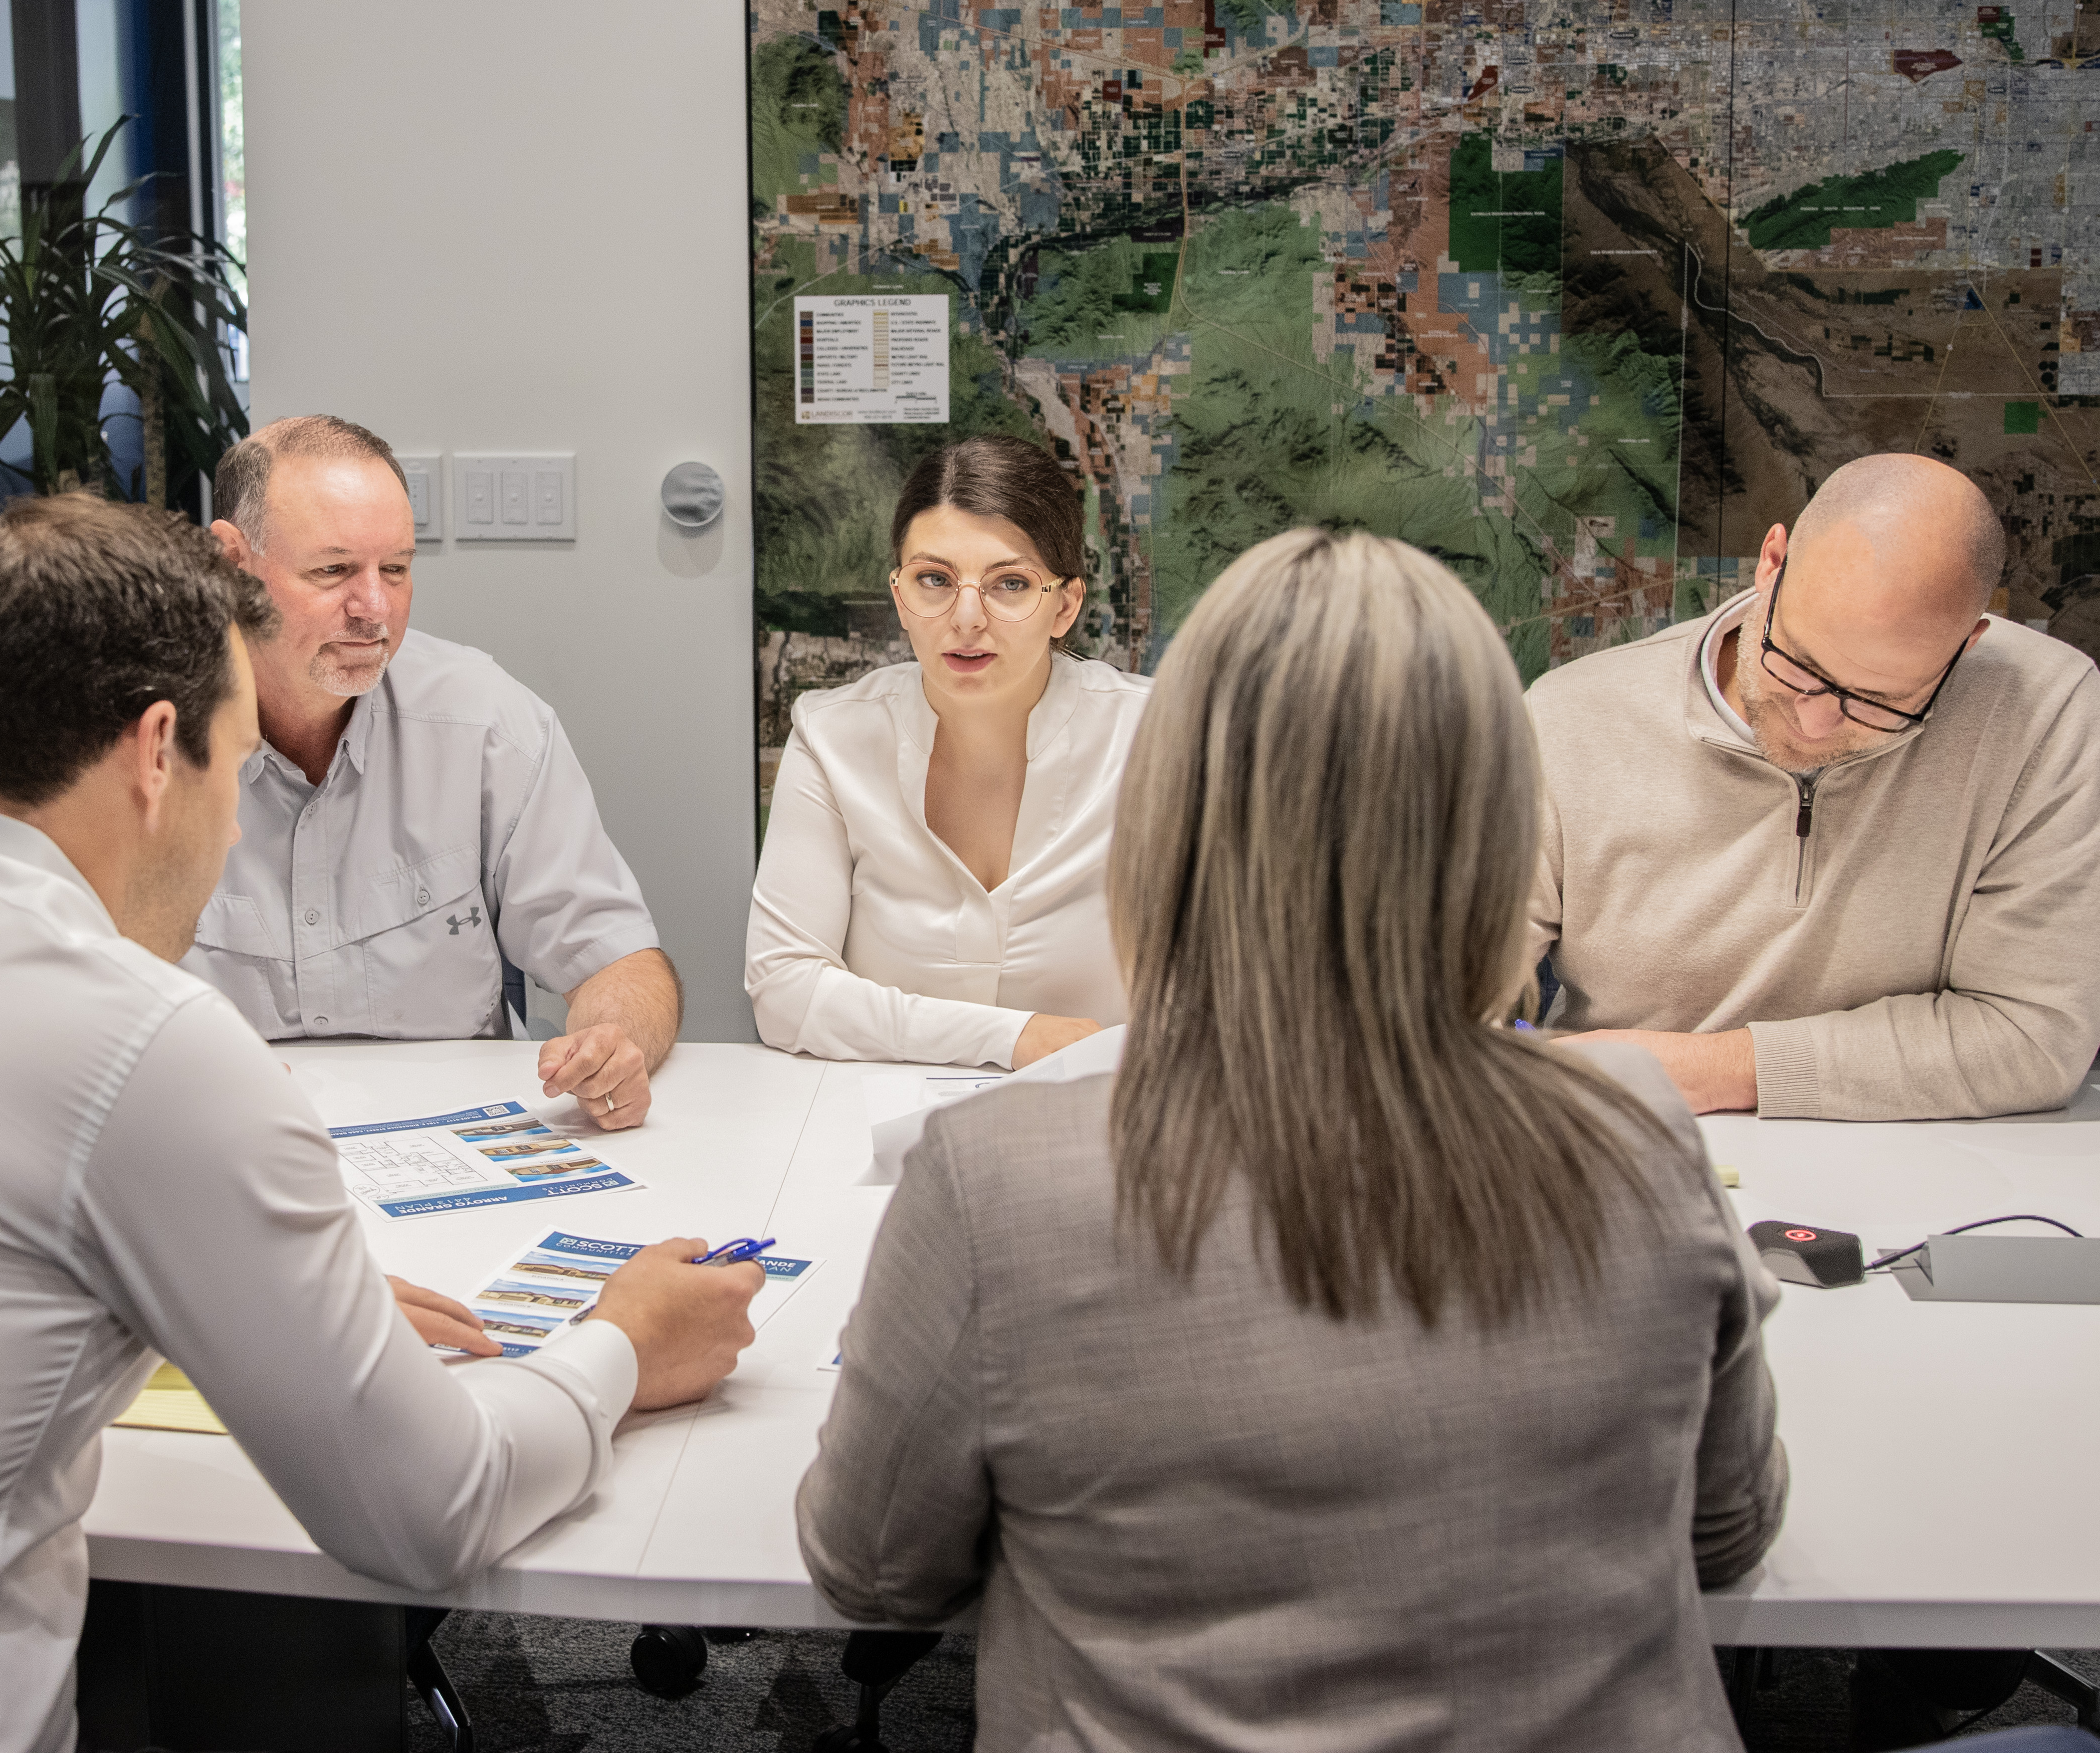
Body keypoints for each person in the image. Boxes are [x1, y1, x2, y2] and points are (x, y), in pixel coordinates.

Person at [0, 496, 761, 1752]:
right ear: (153, 750)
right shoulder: (143, 1039)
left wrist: (220, 1302)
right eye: (233, 769)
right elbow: (429, 1512)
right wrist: (620, 1344)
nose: (235, 824)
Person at [798, 528, 1787, 1753]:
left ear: (1164, 821)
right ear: (1491, 827)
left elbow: (875, 1574)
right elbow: (1726, 1534)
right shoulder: (1639, 1132)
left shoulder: (996, 1180)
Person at [1527, 452, 2100, 1120]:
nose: (1814, 720)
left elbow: (2032, 1037)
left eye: (1878, 699)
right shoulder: (1564, 721)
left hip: (1932, 1166)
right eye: (1796, 664)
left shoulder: (2045, 712)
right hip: (1614, 1135)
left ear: (1965, 646)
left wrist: (1710, 1071)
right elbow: (1436, 1007)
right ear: (1770, 562)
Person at [190, 415, 676, 1129]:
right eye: (331, 571)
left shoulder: (486, 721)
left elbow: (621, 959)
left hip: (456, 1149)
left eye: (395, 568)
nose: (375, 610)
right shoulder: (145, 740)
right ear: (232, 563)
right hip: (228, 1143)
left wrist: (612, 1043)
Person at [746, 434, 1150, 1068]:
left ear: (1064, 605)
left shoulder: (1157, 738)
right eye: (934, 579)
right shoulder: (832, 738)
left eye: (1009, 584)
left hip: (1100, 1122)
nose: (966, 618)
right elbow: (784, 990)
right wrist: (1011, 1038)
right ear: (899, 596)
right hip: (872, 1127)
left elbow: (1235, 983)